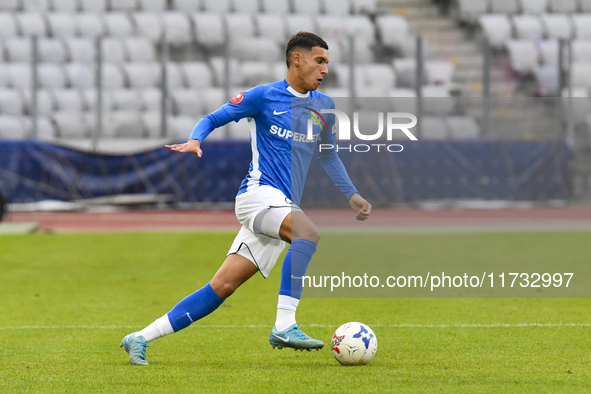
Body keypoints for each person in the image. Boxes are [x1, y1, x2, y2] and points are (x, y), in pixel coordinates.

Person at [120, 31, 372, 365]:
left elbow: (328, 156)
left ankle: (139, 337)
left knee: (222, 286)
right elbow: (214, 117)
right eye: (319, 61)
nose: (325, 69)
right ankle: (285, 324)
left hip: (281, 206)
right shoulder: (263, 97)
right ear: (297, 59)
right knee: (308, 233)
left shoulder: (324, 107)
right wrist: (196, 139)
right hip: (257, 195)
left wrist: (351, 194)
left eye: (327, 63)